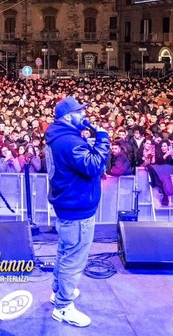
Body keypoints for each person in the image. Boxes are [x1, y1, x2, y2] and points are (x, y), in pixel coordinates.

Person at [44, 96, 110, 327]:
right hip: (77, 207)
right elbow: (94, 167)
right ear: (68, 116)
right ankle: (63, 306)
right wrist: (102, 139)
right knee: (74, 258)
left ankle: (57, 291)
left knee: (65, 251)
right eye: (80, 112)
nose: (85, 115)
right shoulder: (70, 142)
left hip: (67, 203)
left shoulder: (57, 136)